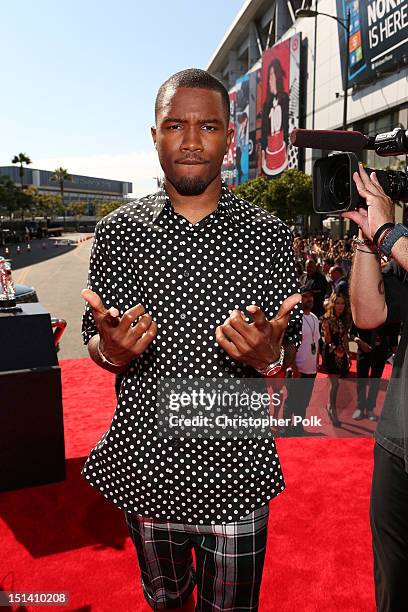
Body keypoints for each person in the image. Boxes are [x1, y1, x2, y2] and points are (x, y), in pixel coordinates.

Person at [80, 68, 302, 612]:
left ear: (230, 137)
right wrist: (110, 351)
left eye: (208, 126)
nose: (192, 140)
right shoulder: (117, 233)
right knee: (165, 601)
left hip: (238, 474)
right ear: (154, 135)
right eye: (175, 125)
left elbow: (287, 345)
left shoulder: (270, 234)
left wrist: (271, 354)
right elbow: (94, 337)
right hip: (145, 470)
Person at [342, 162, 408, 611]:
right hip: (397, 443)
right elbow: (368, 315)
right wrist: (369, 241)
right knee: (393, 587)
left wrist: (388, 231)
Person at [280, 281, 320, 436]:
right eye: (305, 296)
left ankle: (298, 428)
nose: (309, 299)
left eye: (311, 296)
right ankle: (285, 428)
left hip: (311, 369)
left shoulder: (315, 318)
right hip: (296, 369)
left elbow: (315, 342)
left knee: (304, 402)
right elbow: (290, 345)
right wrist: (294, 368)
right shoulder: (294, 319)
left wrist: (316, 364)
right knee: (291, 400)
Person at [351, 322, 399, 421]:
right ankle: (360, 408)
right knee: (361, 379)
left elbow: (393, 333)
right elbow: (352, 333)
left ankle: (370, 408)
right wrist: (360, 342)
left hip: (381, 351)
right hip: (363, 349)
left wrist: (395, 352)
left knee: (375, 381)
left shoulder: (386, 311)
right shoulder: (361, 309)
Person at [321, 293, 352, 427]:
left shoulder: (345, 319)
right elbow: (327, 341)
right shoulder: (327, 319)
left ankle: (329, 405)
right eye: (338, 303)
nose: (340, 306)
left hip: (341, 352)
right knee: (334, 383)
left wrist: (348, 353)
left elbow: (345, 337)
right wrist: (327, 330)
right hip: (330, 351)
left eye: (342, 303)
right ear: (333, 304)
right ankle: (332, 410)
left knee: (336, 383)